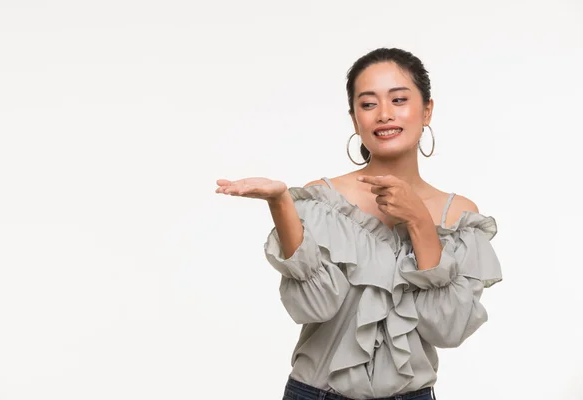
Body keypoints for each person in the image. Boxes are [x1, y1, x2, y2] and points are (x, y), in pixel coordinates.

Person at [215, 47, 502, 400]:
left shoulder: (457, 216)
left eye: (398, 99)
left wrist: (418, 220)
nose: (384, 114)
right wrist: (281, 203)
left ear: (427, 110)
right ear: (354, 120)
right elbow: (312, 307)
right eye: (368, 104)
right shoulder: (322, 200)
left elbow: (448, 329)